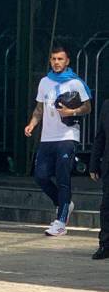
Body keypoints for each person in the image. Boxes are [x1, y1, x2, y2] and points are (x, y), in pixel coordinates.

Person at [24, 46, 91, 237]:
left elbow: (88, 107)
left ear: (67, 61)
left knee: (63, 177)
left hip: (67, 137)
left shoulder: (75, 83)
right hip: (47, 137)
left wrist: (72, 112)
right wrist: (32, 124)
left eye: (60, 59)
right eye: (53, 59)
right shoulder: (45, 82)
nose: (56, 62)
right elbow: (39, 108)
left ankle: (61, 221)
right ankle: (63, 204)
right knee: (41, 176)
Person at [89, 99, 109, 260]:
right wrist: (94, 164)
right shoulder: (107, 105)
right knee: (107, 206)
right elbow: (100, 136)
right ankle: (105, 244)